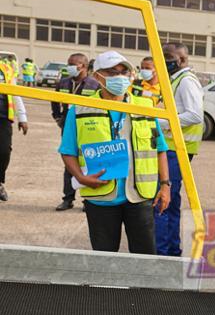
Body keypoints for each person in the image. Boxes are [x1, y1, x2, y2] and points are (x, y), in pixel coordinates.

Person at [59, 51, 171, 253]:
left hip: (139, 196)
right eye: (111, 72)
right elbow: (67, 151)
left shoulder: (145, 107)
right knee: (104, 258)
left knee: (146, 258)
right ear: (97, 76)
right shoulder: (80, 109)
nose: (119, 77)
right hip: (100, 198)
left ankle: (142, 287)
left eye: (123, 72)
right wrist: (81, 178)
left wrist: (165, 185)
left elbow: (160, 149)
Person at [154, 42, 204, 256]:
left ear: (182, 60)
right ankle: (172, 251)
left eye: (168, 56)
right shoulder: (175, 80)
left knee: (161, 202)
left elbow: (194, 115)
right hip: (173, 148)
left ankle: (162, 253)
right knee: (171, 203)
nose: (163, 60)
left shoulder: (185, 81)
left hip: (176, 151)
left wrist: (160, 120)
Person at [53, 53, 101, 211]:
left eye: (73, 64)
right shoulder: (63, 82)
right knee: (69, 163)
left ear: (84, 66)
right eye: (69, 63)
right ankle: (67, 198)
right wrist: (58, 117)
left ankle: (88, 200)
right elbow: (54, 100)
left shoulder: (94, 84)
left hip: (89, 127)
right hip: (68, 126)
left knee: (91, 161)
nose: (70, 67)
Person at [0, 58, 28, 202]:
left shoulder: (6, 69)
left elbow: (15, 93)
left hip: (3, 118)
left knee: (4, 151)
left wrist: (22, 117)